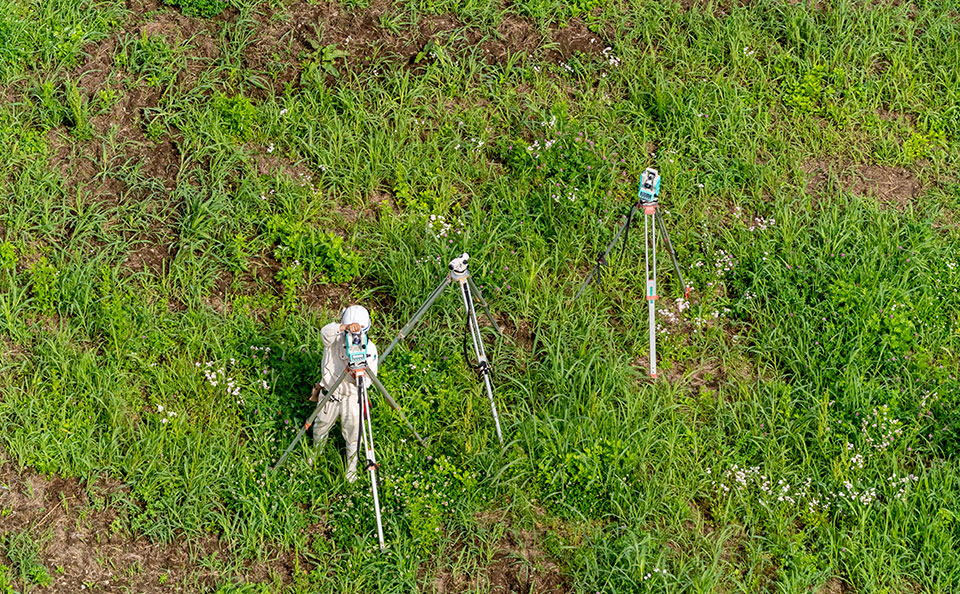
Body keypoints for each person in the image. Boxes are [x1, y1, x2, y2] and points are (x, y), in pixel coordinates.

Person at [310, 305, 378, 482]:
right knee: (320, 426)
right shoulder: (334, 339)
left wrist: (358, 375)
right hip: (331, 392)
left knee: (354, 433)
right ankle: (316, 454)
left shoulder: (369, 349)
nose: (354, 338)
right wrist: (345, 328)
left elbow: (370, 381)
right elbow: (325, 332)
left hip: (352, 396)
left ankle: (351, 466)